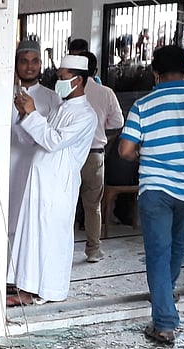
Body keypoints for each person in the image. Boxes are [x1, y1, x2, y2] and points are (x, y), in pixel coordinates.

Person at [118, 45, 184, 346]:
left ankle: (165, 322)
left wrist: (143, 151)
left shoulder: (144, 104)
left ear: (155, 72)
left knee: (157, 253)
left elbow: (125, 150)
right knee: (178, 246)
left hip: (156, 188)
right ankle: (165, 302)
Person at [8, 55, 98, 306]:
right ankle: (25, 290)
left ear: (78, 80)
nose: (57, 81)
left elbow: (53, 141)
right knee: (33, 237)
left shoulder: (85, 115)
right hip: (41, 184)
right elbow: (39, 136)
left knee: (50, 239)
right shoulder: (62, 107)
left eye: (62, 78)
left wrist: (33, 113)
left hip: (58, 187)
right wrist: (25, 115)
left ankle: (49, 290)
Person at [10, 40, 61, 250]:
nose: (29, 67)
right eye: (24, 62)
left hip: (37, 169)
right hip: (7, 167)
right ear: (16, 64)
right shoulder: (0, 93)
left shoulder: (52, 98)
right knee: (7, 220)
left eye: (34, 61)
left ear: (40, 64)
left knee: (31, 224)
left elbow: (53, 138)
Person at [78, 52, 124, 263]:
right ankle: (93, 250)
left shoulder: (67, 91)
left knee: (63, 203)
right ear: (95, 71)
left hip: (68, 156)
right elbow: (117, 123)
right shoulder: (106, 93)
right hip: (94, 155)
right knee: (92, 205)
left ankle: (59, 248)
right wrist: (102, 132)